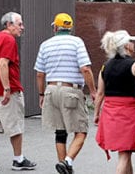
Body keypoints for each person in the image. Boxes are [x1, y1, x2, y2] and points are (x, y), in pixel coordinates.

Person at [34, 13, 97, 174]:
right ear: (70, 28)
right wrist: (93, 91)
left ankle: (64, 167)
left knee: (60, 132)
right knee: (81, 131)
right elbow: (85, 68)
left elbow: (40, 74)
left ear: (55, 27)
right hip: (71, 90)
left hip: (51, 90)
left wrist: (41, 94)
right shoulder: (77, 42)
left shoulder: (45, 45)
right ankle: (67, 161)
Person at [0, 11, 37, 172]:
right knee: (15, 125)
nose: (22, 27)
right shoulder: (8, 40)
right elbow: (3, 63)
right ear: (9, 25)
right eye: (19, 24)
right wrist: (6, 87)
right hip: (6, 91)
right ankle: (18, 159)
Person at [94, 30, 135, 174]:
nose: (133, 44)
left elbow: (100, 93)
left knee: (123, 152)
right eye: (131, 42)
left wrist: (96, 113)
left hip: (110, 113)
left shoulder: (105, 66)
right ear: (126, 45)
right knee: (125, 155)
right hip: (129, 113)